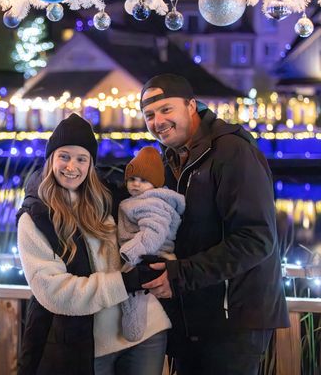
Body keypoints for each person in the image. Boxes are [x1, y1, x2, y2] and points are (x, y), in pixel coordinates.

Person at [139, 73, 290, 375]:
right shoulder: (171, 159)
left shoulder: (231, 152)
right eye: (150, 115)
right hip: (192, 316)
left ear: (191, 106)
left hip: (233, 320)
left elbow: (255, 239)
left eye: (167, 109)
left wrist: (180, 276)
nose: (158, 121)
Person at [16, 113, 170, 375]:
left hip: (147, 331)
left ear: (91, 164)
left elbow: (156, 217)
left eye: (81, 159)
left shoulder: (112, 200)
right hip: (91, 346)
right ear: (51, 159)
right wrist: (125, 283)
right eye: (64, 156)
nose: (71, 166)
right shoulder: (36, 218)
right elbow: (55, 291)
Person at [116, 146, 185, 342]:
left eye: (144, 180)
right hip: (145, 252)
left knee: (132, 294)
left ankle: (133, 331)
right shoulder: (140, 200)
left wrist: (131, 252)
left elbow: (154, 232)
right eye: (132, 179)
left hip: (147, 255)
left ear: (155, 183)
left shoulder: (151, 203)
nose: (136, 184)